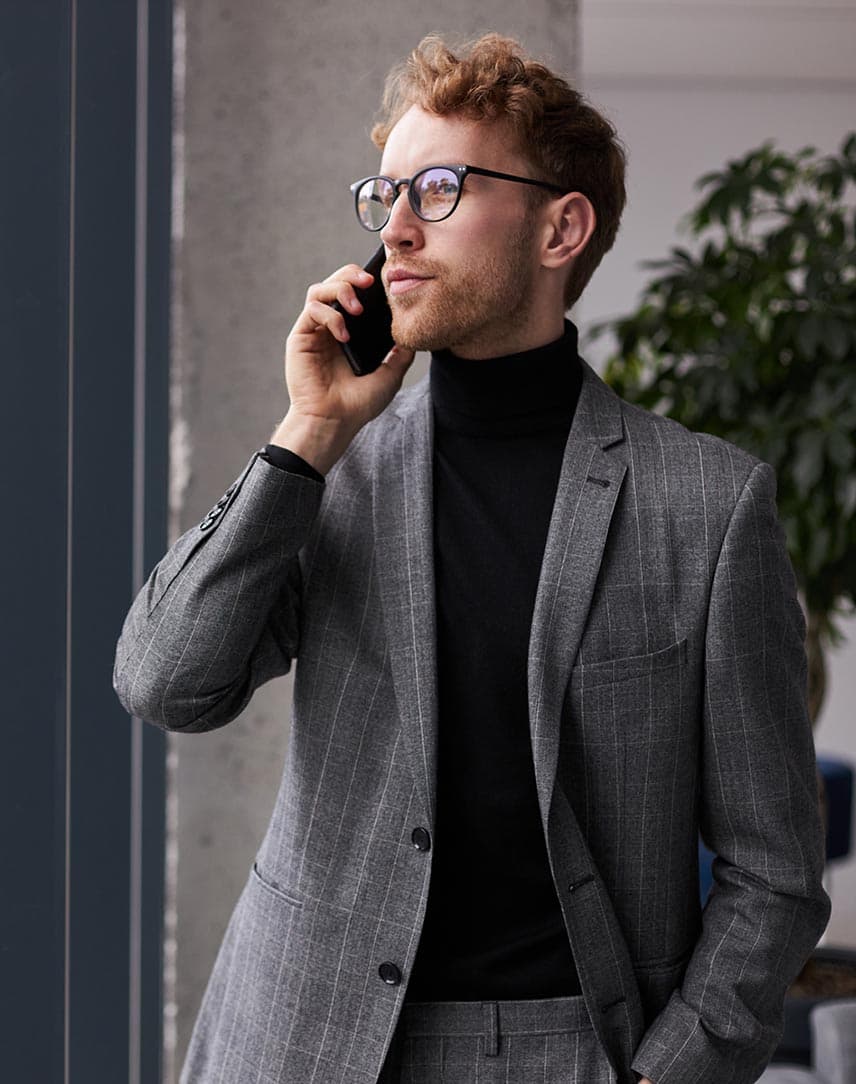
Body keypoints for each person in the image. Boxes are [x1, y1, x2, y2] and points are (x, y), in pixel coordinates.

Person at [114, 33, 830, 1084]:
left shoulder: (707, 506)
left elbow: (774, 870)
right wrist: (306, 431)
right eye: (383, 194)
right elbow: (165, 683)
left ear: (561, 226)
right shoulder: (330, 475)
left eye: (439, 189)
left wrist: (667, 1071)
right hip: (299, 1039)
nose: (395, 230)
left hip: (571, 1050)